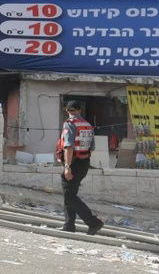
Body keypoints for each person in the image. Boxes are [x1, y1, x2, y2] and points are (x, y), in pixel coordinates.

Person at [58, 100, 104, 234]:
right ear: (79, 110)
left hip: (74, 163)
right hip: (84, 163)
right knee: (70, 194)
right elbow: (92, 147)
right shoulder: (87, 125)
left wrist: (67, 167)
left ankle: (93, 222)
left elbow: (68, 147)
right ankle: (69, 225)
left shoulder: (69, 124)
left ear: (67, 110)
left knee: (70, 196)